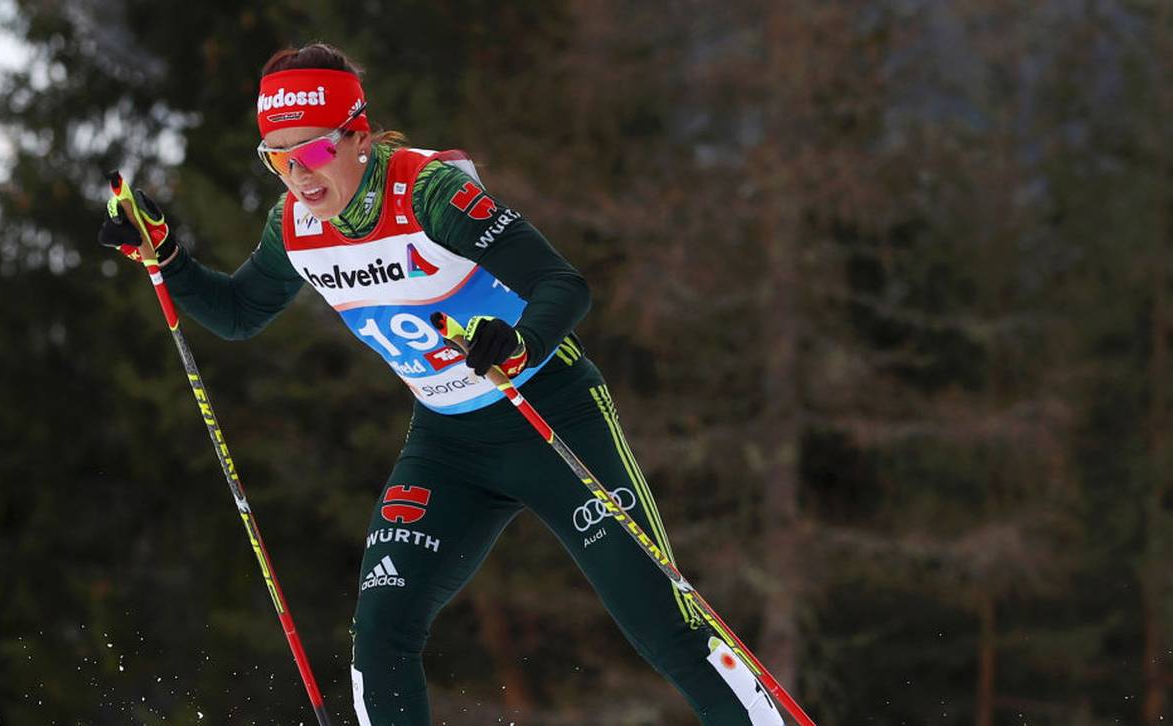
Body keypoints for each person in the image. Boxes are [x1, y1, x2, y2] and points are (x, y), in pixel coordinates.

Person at [99, 41, 780, 726]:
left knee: (660, 621)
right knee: (380, 632)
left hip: (550, 412)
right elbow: (240, 313)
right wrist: (169, 258)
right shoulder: (295, 227)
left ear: (359, 135)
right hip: (448, 443)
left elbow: (561, 284)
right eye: (278, 159)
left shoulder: (429, 193)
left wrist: (519, 341)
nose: (299, 177)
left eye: (313, 151)